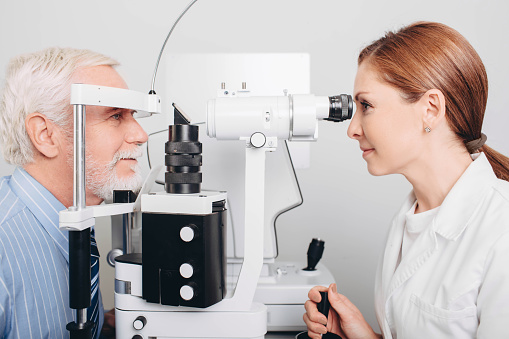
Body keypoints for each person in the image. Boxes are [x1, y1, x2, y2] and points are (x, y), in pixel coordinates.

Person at [303, 21, 509, 339]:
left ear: (430, 109)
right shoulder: (409, 220)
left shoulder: (501, 228)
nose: (352, 129)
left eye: (366, 106)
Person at [0, 47, 148, 338]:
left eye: (132, 114)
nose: (141, 134)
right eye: (115, 116)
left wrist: (99, 323)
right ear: (45, 135)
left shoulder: (74, 220)